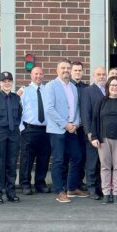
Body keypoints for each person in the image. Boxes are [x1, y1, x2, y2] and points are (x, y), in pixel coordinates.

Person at [44, 59, 84, 203]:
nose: (66, 70)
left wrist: (77, 123)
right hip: (57, 130)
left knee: (77, 156)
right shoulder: (51, 86)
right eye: (63, 68)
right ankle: (60, 191)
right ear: (57, 70)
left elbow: (77, 108)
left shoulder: (73, 87)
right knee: (59, 160)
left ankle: (72, 188)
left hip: (72, 129)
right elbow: (49, 109)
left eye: (68, 68)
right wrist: (65, 124)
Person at [92, 76, 117, 204]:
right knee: (105, 167)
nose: (114, 88)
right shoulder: (101, 101)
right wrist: (94, 137)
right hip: (103, 139)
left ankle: (116, 193)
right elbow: (95, 120)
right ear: (108, 87)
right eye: (112, 85)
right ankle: (106, 193)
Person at [0, 71, 22, 204]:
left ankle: (11, 193)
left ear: (12, 83)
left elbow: (19, 114)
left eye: (9, 81)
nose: (7, 83)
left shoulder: (16, 98)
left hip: (13, 133)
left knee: (11, 164)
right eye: (4, 81)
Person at [18, 66, 51, 195]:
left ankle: (40, 183)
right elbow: (18, 110)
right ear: (31, 75)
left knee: (44, 158)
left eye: (40, 74)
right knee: (27, 159)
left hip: (45, 130)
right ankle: (25, 184)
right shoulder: (24, 91)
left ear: (43, 76)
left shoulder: (48, 90)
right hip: (29, 129)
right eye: (36, 74)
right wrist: (22, 129)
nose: (38, 76)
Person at [80, 66, 107, 200]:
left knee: (104, 163)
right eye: (99, 74)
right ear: (93, 76)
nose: (102, 77)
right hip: (93, 133)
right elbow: (85, 114)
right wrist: (89, 132)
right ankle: (92, 188)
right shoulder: (88, 91)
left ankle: (102, 188)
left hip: (107, 134)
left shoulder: (109, 90)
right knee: (92, 162)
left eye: (103, 74)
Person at [70, 61, 89, 191]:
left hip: (82, 127)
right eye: (75, 70)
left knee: (82, 155)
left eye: (79, 70)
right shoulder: (66, 86)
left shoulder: (86, 88)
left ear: (83, 72)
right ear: (71, 72)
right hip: (68, 127)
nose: (77, 72)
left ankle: (79, 181)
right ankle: (68, 182)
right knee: (69, 156)